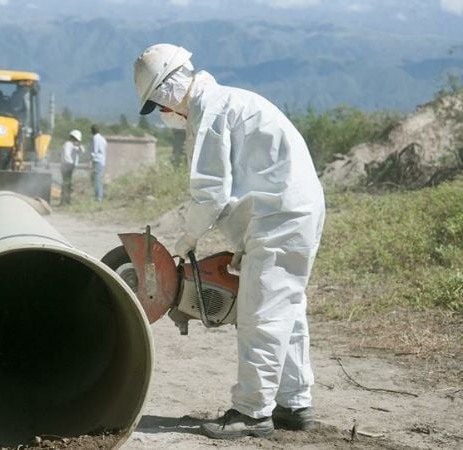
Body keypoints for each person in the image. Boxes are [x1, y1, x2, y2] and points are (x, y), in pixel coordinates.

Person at [134, 43, 325, 439]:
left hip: (281, 216)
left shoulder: (210, 112)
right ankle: (295, 402)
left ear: (168, 91)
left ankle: (252, 412)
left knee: (261, 313)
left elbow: (211, 193)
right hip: (289, 211)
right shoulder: (227, 101)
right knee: (287, 309)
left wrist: (185, 240)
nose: (165, 114)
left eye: (158, 104)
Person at [60, 129, 83, 205]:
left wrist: (79, 146)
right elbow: (67, 156)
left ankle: (67, 200)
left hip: (70, 166)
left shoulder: (74, 145)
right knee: (66, 183)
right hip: (66, 166)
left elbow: (82, 151)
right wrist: (71, 164)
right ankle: (64, 201)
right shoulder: (68, 144)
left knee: (68, 184)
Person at [90, 124, 107, 202]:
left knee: (97, 179)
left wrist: (91, 159)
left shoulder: (95, 138)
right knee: (99, 179)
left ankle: (98, 197)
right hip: (102, 161)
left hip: (97, 160)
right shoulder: (102, 139)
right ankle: (100, 195)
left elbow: (95, 150)